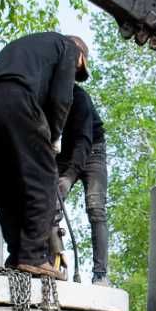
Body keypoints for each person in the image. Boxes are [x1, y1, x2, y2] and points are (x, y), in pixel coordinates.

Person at [0, 31, 88, 278]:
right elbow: (60, 98)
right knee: (44, 179)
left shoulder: (31, 47)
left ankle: (18, 256)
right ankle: (33, 256)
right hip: (16, 100)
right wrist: (53, 136)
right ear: (81, 57)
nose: (75, 76)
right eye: (78, 72)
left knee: (7, 185)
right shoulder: (68, 46)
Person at [55, 86, 108, 284]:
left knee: (96, 209)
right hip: (67, 151)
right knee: (48, 201)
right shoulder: (47, 94)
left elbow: (84, 142)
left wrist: (68, 177)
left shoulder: (79, 98)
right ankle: (52, 260)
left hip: (93, 149)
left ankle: (100, 274)